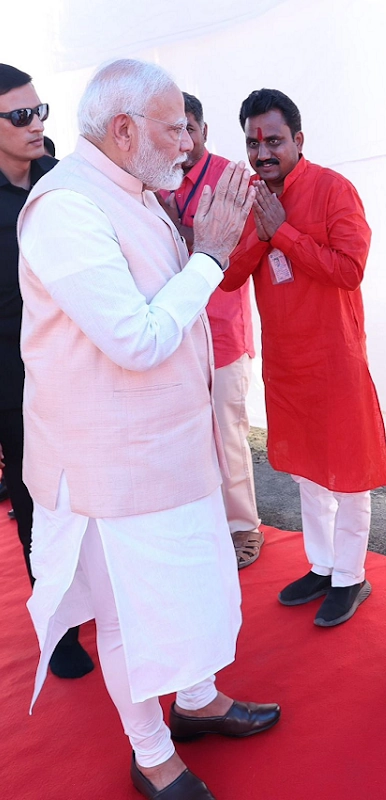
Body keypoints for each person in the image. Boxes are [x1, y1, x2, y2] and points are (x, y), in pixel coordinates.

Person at [19, 58, 280, 800]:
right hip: (111, 469)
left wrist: (205, 247)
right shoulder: (67, 207)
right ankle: (151, 752)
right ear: (125, 130)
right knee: (134, 616)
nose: (188, 144)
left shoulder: (131, 189)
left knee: (191, 589)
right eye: (175, 129)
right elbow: (135, 339)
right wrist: (209, 254)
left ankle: (197, 703)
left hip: (170, 448)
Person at [223, 88, 386, 627]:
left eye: (273, 140)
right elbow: (228, 276)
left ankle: (350, 576)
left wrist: (285, 234)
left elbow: (349, 269)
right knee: (307, 474)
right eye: (253, 143)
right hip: (287, 363)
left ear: (298, 140)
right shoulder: (253, 199)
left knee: (347, 471)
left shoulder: (333, 189)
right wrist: (260, 229)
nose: (262, 153)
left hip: (335, 359)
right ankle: (321, 566)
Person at [0, 64, 95, 679]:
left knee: (88, 486)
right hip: (12, 376)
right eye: (19, 116)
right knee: (39, 499)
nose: (36, 125)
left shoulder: (60, 176)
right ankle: (57, 624)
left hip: (75, 362)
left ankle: (99, 597)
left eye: (40, 112)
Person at [159, 92, 263, 569]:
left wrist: (188, 238)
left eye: (188, 130)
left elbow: (239, 250)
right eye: (171, 131)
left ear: (203, 129)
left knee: (227, 432)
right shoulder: (155, 179)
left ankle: (244, 527)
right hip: (173, 331)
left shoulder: (234, 178)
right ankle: (202, 523)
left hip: (222, 328)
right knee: (184, 433)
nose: (181, 141)